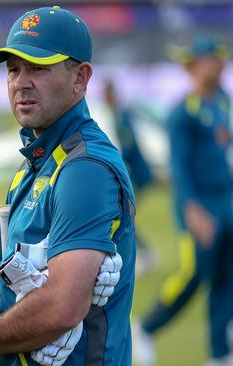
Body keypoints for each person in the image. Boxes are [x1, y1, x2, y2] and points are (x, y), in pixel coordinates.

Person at [0, 6, 136, 366]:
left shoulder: (85, 168)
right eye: (13, 69)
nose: (21, 82)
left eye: (38, 67)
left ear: (80, 77)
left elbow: (62, 306)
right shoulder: (34, 165)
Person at [133, 36, 233, 366]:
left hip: (226, 203)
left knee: (226, 278)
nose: (219, 64)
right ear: (195, 65)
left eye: (221, 59)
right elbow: (179, 167)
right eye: (212, 59)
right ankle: (145, 328)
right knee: (195, 274)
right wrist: (192, 208)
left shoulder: (221, 103)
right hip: (200, 208)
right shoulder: (182, 113)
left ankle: (219, 353)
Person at [103, 80, 157, 274]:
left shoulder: (121, 116)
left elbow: (130, 146)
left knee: (125, 214)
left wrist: (118, 161)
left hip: (138, 175)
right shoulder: (118, 115)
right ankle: (144, 254)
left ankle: (144, 255)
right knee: (125, 215)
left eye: (106, 94)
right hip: (137, 173)